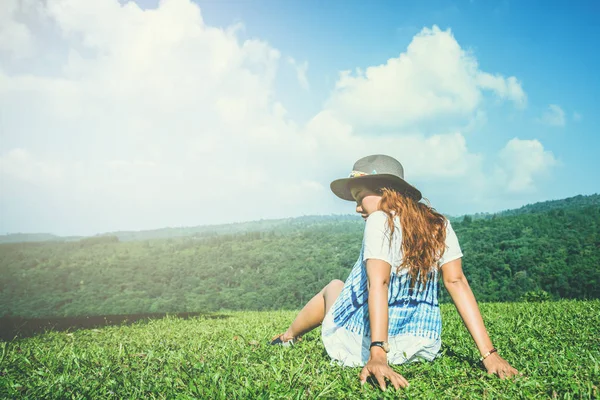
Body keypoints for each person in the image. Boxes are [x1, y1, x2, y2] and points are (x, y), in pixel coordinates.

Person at [270, 154, 520, 391]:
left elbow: (379, 284)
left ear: (384, 192)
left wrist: (377, 354)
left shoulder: (380, 220)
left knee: (335, 286)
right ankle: (289, 336)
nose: (357, 208)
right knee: (339, 287)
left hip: (367, 343)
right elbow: (456, 281)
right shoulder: (438, 224)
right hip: (420, 345)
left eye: (360, 197)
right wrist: (490, 355)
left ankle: (288, 336)